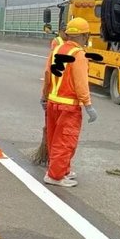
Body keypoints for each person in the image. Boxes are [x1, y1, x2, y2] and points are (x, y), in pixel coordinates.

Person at [40, 17, 97, 187]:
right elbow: (81, 83)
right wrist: (88, 105)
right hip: (68, 106)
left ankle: (61, 169)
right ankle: (55, 176)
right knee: (65, 141)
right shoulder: (79, 55)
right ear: (84, 35)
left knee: (55, 139)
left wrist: (44, 96)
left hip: (53, 103)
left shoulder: (57, 49)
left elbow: (47, 75)